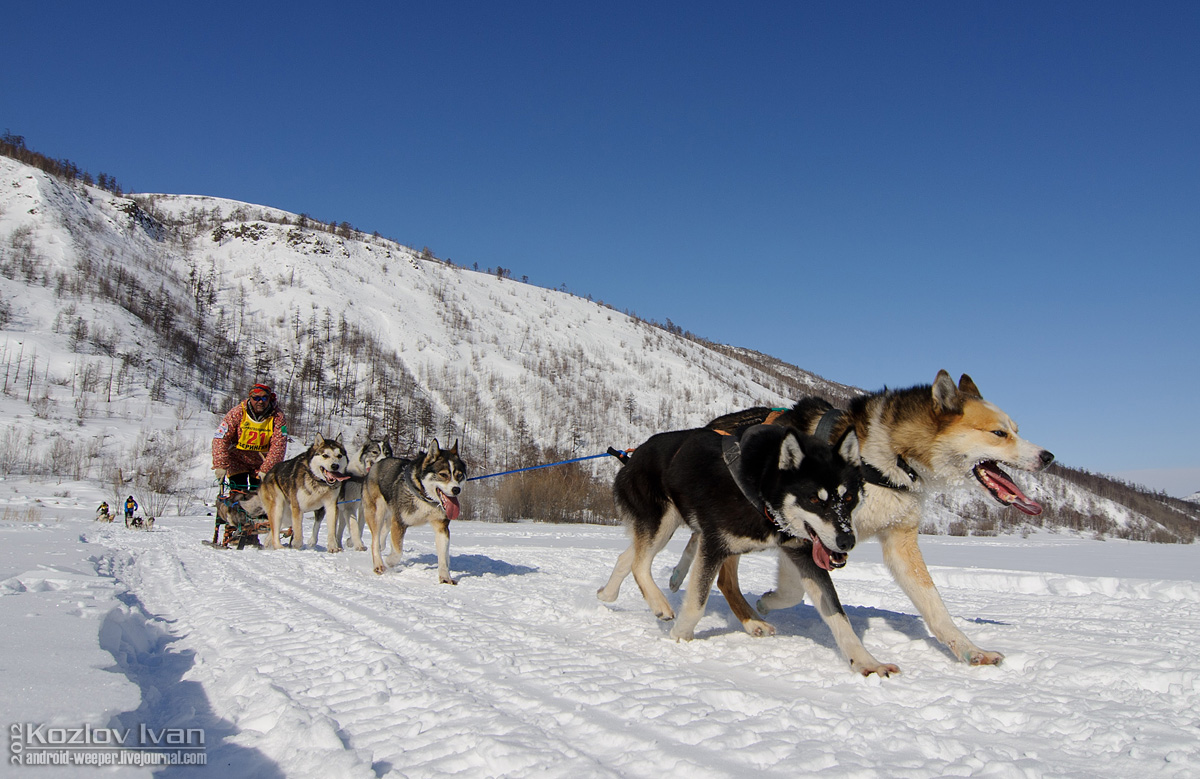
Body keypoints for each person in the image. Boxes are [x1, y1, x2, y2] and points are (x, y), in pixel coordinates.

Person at [212, 383, 288, 494]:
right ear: (250, 398)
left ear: (269, 398)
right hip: (238, 460)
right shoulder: (238, 412)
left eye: (264, 398)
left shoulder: (277, 417)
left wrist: (267, 468)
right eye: (256, 398)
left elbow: (279, 445)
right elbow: (221, 437)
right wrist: (220, 464)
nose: (260, 401)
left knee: (258, 498)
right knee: (238, 495)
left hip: (262, 462)